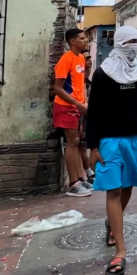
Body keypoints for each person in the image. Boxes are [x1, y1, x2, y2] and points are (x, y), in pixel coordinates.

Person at [87, 26, 137, 275]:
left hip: (134, 139)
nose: (133, 45)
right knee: (114, 190)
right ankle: (120, 250)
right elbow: (94, 111)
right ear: (118, 42)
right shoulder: (103, 73)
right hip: (108, 141)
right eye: (129, 41)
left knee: (127, 187)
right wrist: (92, 146)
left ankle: (113, 224)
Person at [53, 28, 91, 197]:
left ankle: (79, 179)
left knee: (77, 143)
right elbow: (58, 89)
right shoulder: (65, 60)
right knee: (73, 142)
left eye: (86, 38)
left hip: (78, 107)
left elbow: (80, 83)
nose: (86, 41)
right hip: (65, 107)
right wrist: (77, 103)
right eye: (82, 38)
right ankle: (74, 183)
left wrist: (84, 102)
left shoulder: (81, 58)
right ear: (72, 42)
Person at [81, 48, 95, 183]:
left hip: (87, 114)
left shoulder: (88, 81)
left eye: (90, 58)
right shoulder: (80, 80)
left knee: (83, 144)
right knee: (80, 144)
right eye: (87, 58)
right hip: (80, 114)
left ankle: (88, 172)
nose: (89, 61)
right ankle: (86, 173)